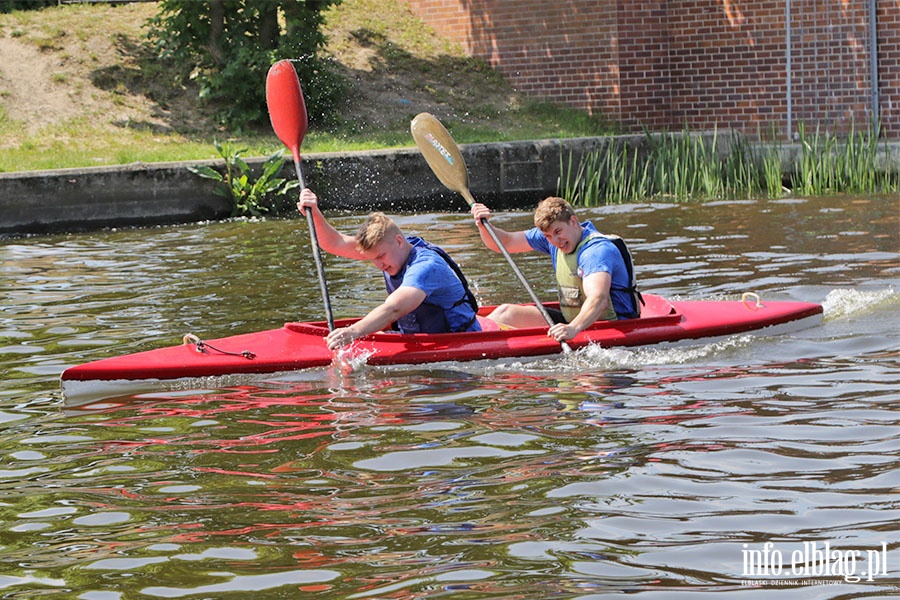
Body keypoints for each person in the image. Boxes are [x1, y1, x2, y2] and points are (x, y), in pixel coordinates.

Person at [298, 189, 482, 351]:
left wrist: (352, 332)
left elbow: (394, 309)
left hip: (461, 342)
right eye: (373, 259)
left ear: (399, 241)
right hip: (421, 339)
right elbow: (335, 243)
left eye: (380, 257)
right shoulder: (390, 249)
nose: (379, 265)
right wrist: (314, 213)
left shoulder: (426, 267)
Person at [470, 196, 641, 342]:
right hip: (573, 321)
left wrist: (572, 329)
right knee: (505, 313)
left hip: (614, 327)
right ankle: (468, 338)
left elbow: (599, 299)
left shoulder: (596, 252)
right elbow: (504, 243)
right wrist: (483, 225)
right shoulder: (551, 237)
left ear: (573, 221)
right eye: (548, 236)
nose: (556, 241)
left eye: (558, 232)